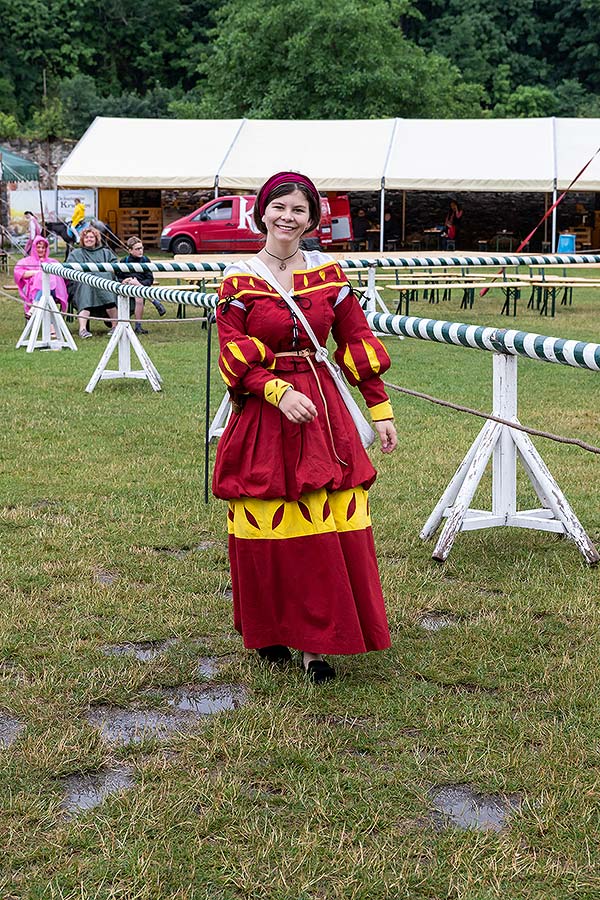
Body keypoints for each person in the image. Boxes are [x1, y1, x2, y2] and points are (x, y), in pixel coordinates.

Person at [212, 171, 398, 683]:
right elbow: (233, 352)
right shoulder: (239, 280)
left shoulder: (330, 276)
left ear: (313, 218)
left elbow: (356, 339)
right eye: (279, 207)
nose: (287, 217)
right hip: (266, 413)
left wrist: (379, 410)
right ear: (262, 213)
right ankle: (270, 628)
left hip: (324, 411)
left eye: (298, 209)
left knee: (324, 522)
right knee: (269, 516)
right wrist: (277, 391)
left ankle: (318, 643)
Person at [67, 226, 118, 339]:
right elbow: (69, 270)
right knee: (86, 286)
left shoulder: (106, 253)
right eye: (86, 237)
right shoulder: (76, 253)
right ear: (82, 240)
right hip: (83, 285)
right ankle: (83, 329)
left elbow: (115, 267)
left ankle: (115, 326)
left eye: (91, 237)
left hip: (104, 284)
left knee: (105, 283)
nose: (89, 239)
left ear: (96, 239)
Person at [117, 236, 166, 334]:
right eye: (137, 249)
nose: (140, 251)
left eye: (141, 248)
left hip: (141, 287)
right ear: (130, 250)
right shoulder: (124, 261)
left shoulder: (145, 260)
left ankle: (138, 326)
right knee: (136, 289)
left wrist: (138, 283)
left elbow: (149, 279)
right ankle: (155, 302)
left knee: (138, 295)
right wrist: (125, 280)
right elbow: (118, 277)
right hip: (126, 287)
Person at [13, 236, 68, 319]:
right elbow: (19, 273)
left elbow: (62, 275)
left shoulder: (53, 262)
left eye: (43, 247)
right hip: (32, 292)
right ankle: (52, 329)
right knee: (45, 294)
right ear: (34, 248)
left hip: (53, 291)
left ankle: (34, 308)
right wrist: (37, 273)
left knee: (47, 287)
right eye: (38, 247)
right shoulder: (26, 261)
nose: (41, 250)